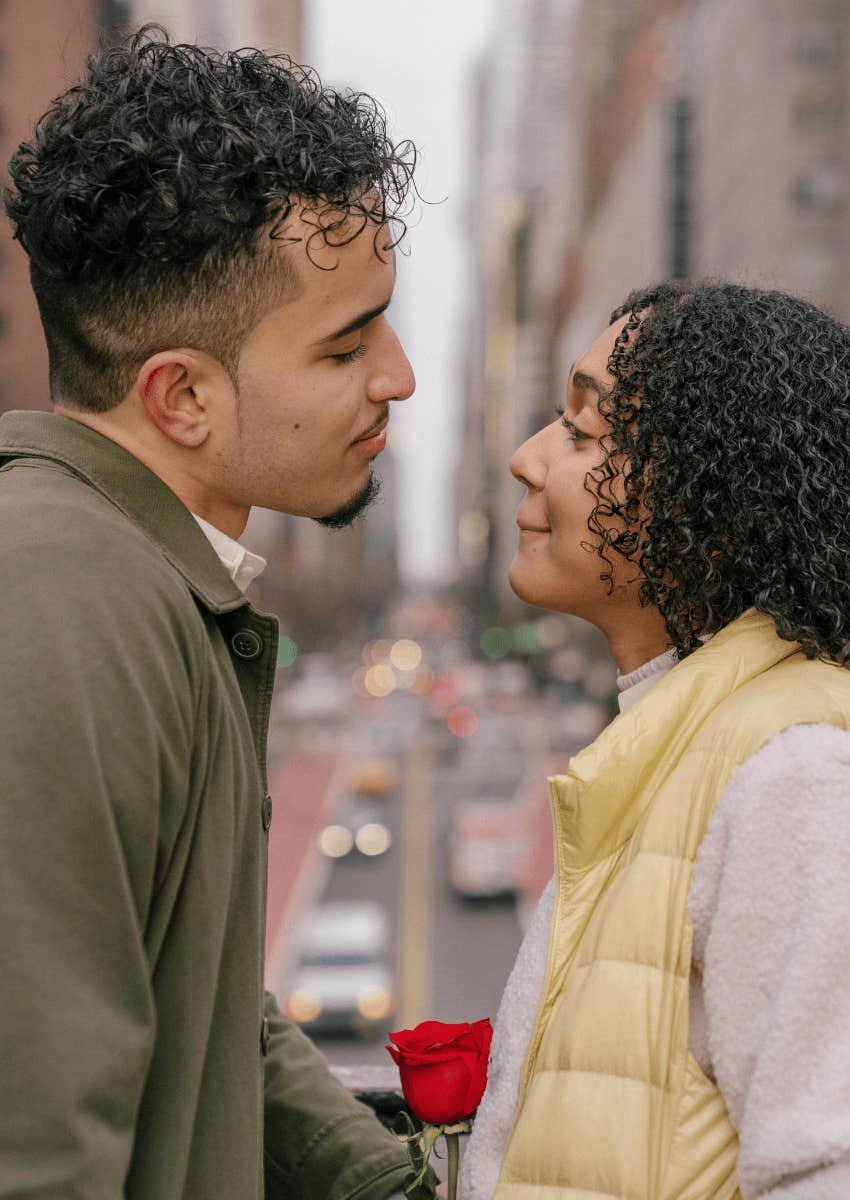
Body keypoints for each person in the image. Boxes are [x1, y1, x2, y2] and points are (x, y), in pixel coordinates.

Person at [0, 27, 429, 1200]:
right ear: (181, 394)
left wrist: (382, 1180)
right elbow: (34, 1139)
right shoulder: (63, 602)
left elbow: (190, 993)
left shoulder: (127, 573)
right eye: (346, 345)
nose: (397, 377)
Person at [461, 281, 850, 1200]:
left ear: (713, 504)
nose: (525, 460)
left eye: (586, 432)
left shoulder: (795, 771)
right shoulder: (668, 747)